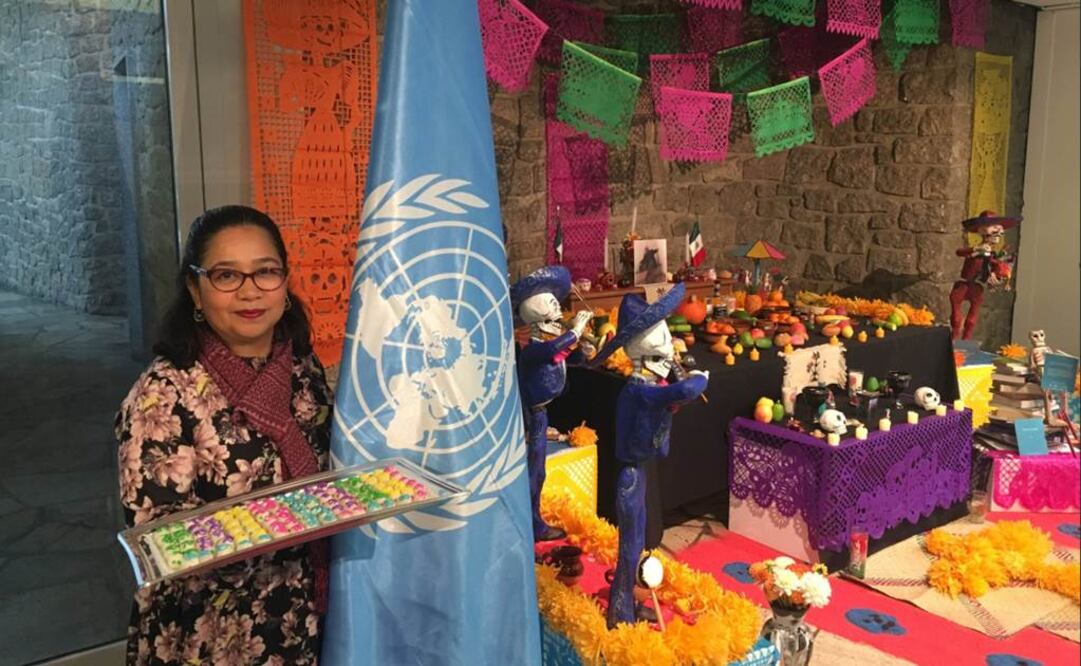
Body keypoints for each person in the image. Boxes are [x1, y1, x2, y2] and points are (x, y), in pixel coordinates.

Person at [117, 205, 332, 665]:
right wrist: (275, 521)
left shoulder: (302, 368)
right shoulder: (163, 394)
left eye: (265, 272)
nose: (250, 291)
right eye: (226, 276)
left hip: (302, 611)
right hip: (213, 630)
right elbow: (159, 541)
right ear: (195, 290)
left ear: (285, 283)